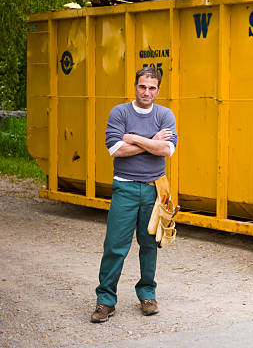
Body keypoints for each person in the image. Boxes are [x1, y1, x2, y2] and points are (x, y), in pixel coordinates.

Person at [91, 67, 177, 323]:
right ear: (135, 86)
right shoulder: (120, 112)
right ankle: (105, 301)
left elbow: (166, 150)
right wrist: (151, 140)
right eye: (142, 86)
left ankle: (147, 294)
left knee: (150, 244)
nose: (147, 92)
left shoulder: (165, 114)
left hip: (155, 188)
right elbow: (116, 150)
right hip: (125, 187)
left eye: (152, 88)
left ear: (158, 89)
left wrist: (135, 138)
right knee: (115, 246)